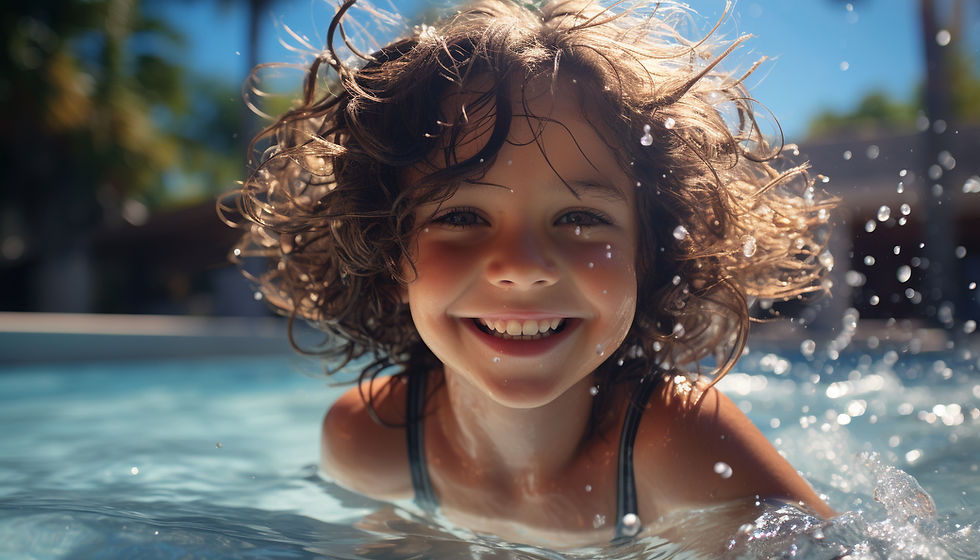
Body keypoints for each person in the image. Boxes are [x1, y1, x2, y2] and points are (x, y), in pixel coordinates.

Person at [228, 0, 837, 549]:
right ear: (388, 257)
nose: (521, 268)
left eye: (579, 218)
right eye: (462, 216)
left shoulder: (684, 446)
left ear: (649, 256)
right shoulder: (368, 442)